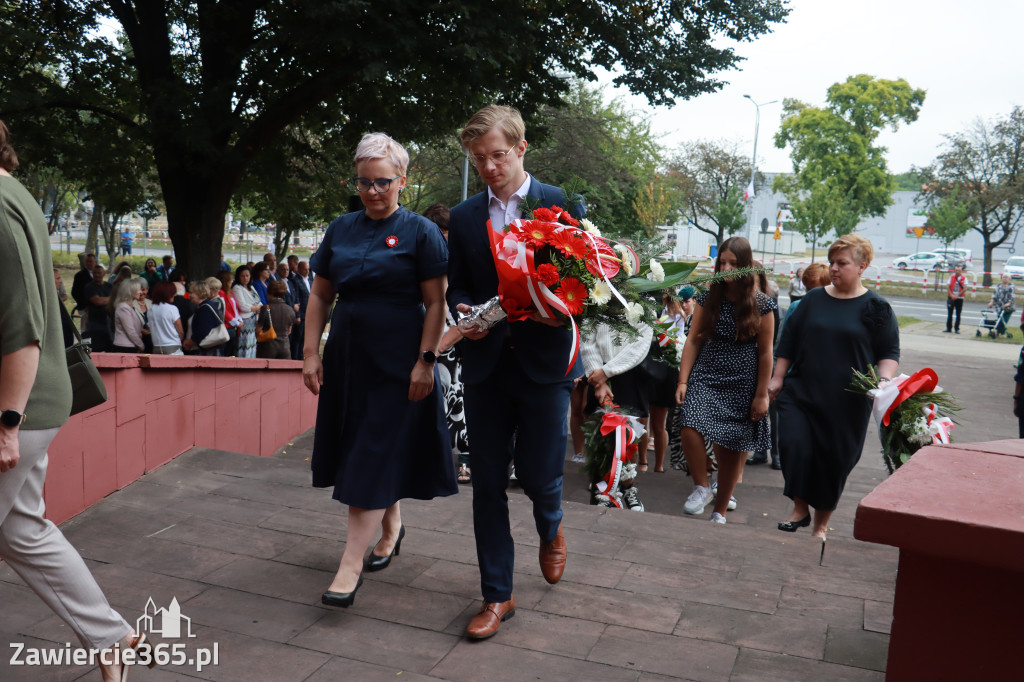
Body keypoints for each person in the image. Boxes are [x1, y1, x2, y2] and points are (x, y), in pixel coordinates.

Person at [0, 118, 151, 682]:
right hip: (33, 397)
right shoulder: (14, 193)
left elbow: (20, 328)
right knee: (20, 531)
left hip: (19, 400)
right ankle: (111, 639)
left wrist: (8, 422)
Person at [447, 105, 583, 639]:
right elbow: (457, 284)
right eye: (478, 159)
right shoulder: (462, 218)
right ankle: (496, 596)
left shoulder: (558, 202)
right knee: (485, 484)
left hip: (545, 361)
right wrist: (462, 312)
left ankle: (551, 525)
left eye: (497, 155)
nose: (488, 167)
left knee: (537, 473)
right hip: (484, 364)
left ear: (521, 148)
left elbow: (584, 276)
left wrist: (560, 300)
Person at [302, 132, 455, 610]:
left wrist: (425, 361)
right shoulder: (340, 228)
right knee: (363, 442)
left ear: (402, 181)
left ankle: (350, 564)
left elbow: (435, 302)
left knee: (371, 448)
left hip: (399, 357)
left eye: (382, 182)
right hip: (349, 354)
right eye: (363, 183)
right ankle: (391, 526)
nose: (371, 192)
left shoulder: (421, 232)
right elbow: (322, 294)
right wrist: (310, 352)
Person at [768, 234, 900, 543]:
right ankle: (800, 509)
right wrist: (777, 378)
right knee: (794, 446)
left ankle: (821, 525)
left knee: (834, 460)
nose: (834, 268)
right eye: (832, 262)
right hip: (802, 393)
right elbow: (787, 343)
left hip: (848, 402)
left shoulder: (877, 308)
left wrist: (882, 383)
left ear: (862, 266)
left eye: (842, 263)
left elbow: (889, 353)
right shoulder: (812, 300)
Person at [675, 236, 776, 524]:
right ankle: (701, 487)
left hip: (744, 380)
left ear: (746, 266)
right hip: (708, 372)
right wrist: (683, 381)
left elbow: (766, 353)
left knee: (731, 446)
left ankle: (719, 512)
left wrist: (761, 394)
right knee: (690, 424)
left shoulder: (763, 304)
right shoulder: (709, 296)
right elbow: (693, 339)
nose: (727, 268)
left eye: (733, 263)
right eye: (722, 262)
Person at [581, 320, 654, 510]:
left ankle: (628, 486)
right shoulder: (597, 301)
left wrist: (606, 372)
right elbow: (587, 341)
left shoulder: (644, 306)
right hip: (598, 376)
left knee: (629, 436)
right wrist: (598, 378)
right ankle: (602, 488)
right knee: (601, 432)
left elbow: (639, 346)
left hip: (628, 374)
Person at [424, 203, 473, 484]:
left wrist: (439, 346)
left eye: (444, 232)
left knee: (458, 405)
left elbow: (465, 320)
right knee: (431, 406)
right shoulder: (422, 265)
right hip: (428, 348)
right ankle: (431, 462)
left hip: (452, 350)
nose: (440, 238)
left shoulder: (459, 266)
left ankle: (463, 463)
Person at [665, 286, 696, 472]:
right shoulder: (677, 317)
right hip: (680, 375)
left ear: (694, 301)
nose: (684, 304)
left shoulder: (695, 320)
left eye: (687, 301)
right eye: (681, 301)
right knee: (675, 419)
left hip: (692, 377)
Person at [182, 278, 226, 356]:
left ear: (200, 293)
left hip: (208, 351)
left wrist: (190, 342)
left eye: (192, 293)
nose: (189, 295)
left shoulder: (205, 308)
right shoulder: (202, 306)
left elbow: (203, 331)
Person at [256, 280, 295, 359]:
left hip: (267, 347)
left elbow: (258, 329)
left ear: (269, 293)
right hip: (285, 347)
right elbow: (289, 331)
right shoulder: (290, 309)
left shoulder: (266, 308)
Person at [231, 265, 261, 358]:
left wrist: (256, 307)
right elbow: (243, 306)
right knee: (244, 346)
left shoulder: (251, 287)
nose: (245, 278)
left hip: (254, 321)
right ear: (238, 277)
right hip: (245, 321)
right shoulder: (237, 288)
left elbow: (260, 302)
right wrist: (257, 308)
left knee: (252, 346)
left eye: (247, 275)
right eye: (242, 276)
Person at [110, 279, 147, 353]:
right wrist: (141, 346)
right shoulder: (123, 308)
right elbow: (130, 331)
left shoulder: (128, 307)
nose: (141, 292)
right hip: (124, 347)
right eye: (138, 290)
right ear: (131, 291)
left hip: (130, 346)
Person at [83, 264, 113, 352]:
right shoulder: (89, 287)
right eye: (94, 273)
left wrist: (107, 300)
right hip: (94, 323)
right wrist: (111, 299)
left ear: (104, 274)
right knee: (95, 347)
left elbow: (115, 300)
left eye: (99, 273)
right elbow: (97, 301)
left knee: (109, 346)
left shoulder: (109, 286)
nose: (97, 275)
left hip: (108, 322)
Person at [148, 281, 185, 354]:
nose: (174, 294)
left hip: (157, 346)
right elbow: (180, 331)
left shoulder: (151, 309)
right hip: (173, 346)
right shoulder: (172, 308)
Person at [988, 273, 1015, 337]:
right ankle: (998, 333)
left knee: (1003, 320)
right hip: (999, 306)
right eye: (1003, 277)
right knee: (999, 320)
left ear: (1009, 279)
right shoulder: (998, 286)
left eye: (1006, 277)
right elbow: (994, 295)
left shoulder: (1011, 286)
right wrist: (991, 302)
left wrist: (1007, 304)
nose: (1005, 279)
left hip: (1008, 307)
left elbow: (1012, 297)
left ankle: (1002, 333)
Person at [944, 264, 967, 334]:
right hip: (951, 297)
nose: (957, 272)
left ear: (961, 271)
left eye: (959, 270)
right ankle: (948, 328)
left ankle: (957, 328)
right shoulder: (951, 277)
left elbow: (965, 288)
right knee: (950, 313)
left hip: (959, 298)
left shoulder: (964, 278)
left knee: (958, 314)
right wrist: (951, 295)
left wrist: (957, 295)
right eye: (956, 270)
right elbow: (948, 286)